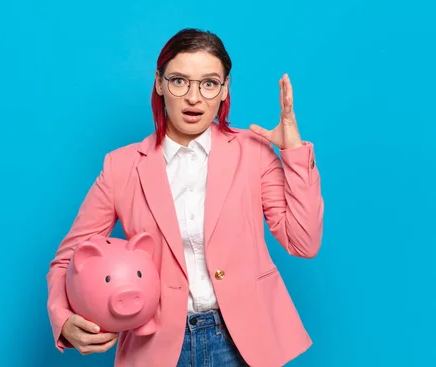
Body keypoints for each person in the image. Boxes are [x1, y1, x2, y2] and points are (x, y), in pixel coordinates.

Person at [46, 28, 324, 367]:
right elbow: (69, 258)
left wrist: (293, 151)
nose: (194, 97)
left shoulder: (254, 153)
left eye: (209, 83)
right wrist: (63, 318)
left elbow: (303, 241)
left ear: (225, 90)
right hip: (156, 346)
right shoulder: (121, 166)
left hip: (244, 342)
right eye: (180, 81)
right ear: (160, 83)